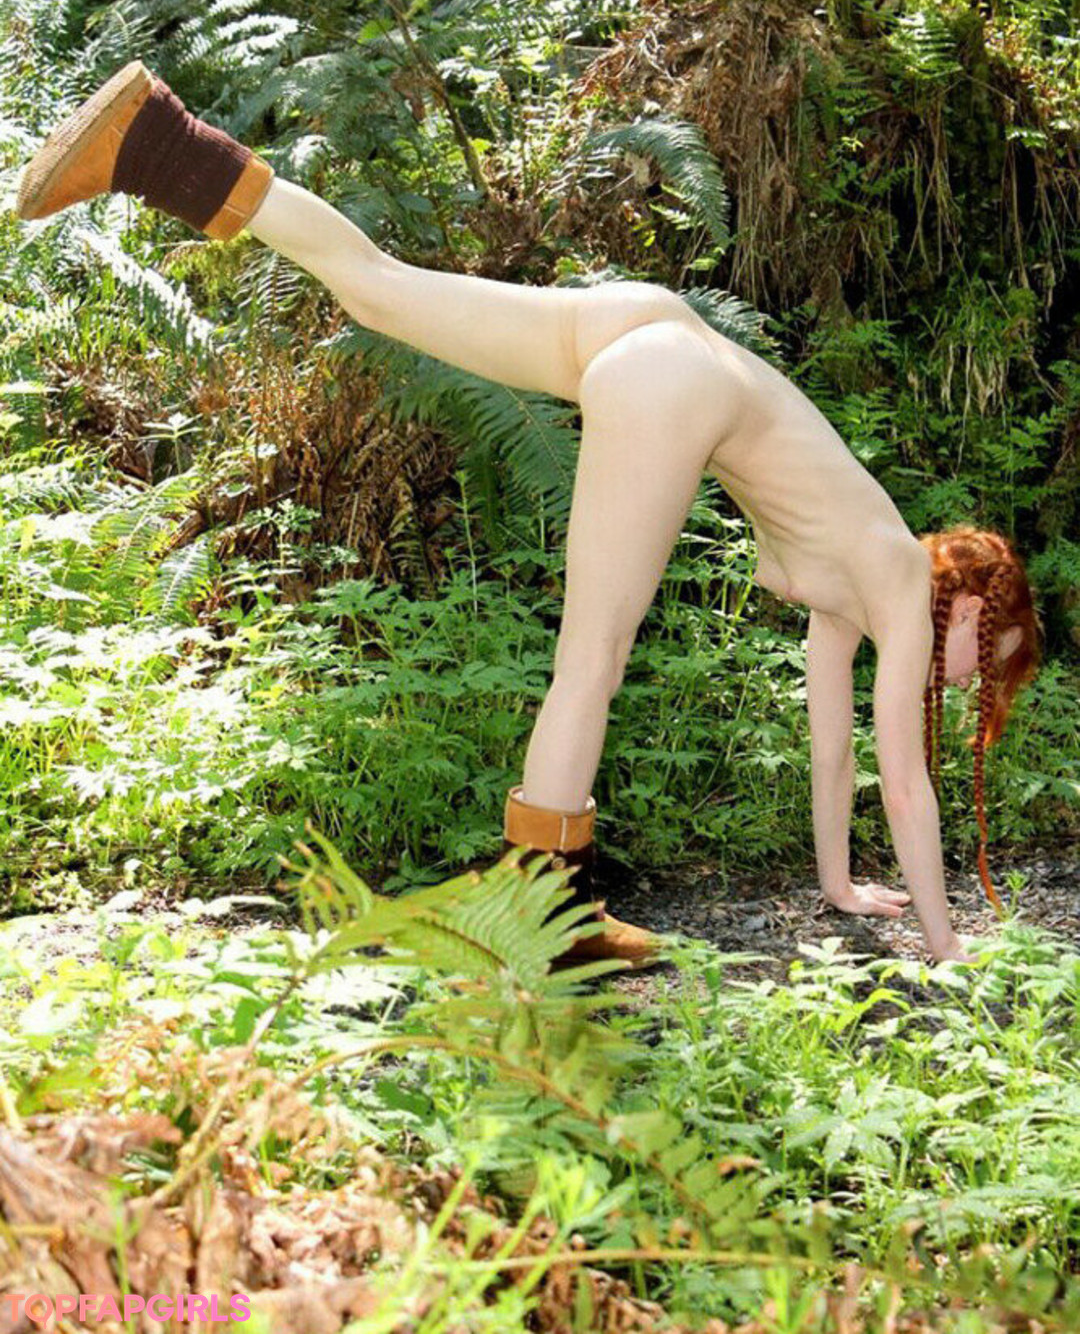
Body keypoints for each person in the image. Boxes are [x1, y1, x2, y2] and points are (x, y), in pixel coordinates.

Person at [15, 61, 1041, 969]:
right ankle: (545, 907)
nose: (968, 683)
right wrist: (947, 946)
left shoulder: (853, 587)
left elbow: (834, 755)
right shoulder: (900, 577)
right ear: (972, 608)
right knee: (590, 661)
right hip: (676, 378)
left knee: (381, 290)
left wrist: (841, 887)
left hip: (656, 332)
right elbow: (904, 785)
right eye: (988, 660)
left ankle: (157, 142)